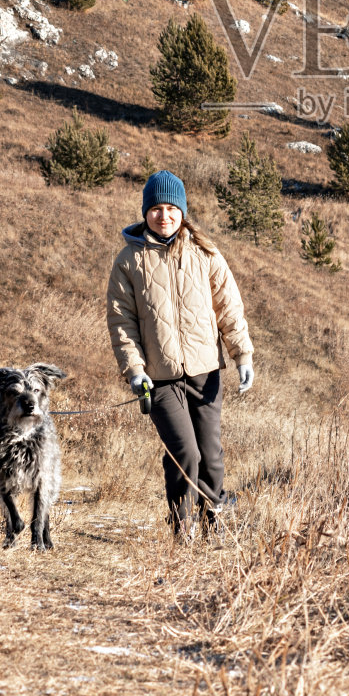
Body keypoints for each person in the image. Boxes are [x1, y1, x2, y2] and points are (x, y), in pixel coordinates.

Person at [107, 170, 254, 541]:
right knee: (184, 451)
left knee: (211, 454)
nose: (164, 215)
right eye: (156, 208)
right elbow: (121, 321)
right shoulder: (129, 260)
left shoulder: (205, 252)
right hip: (159, 377)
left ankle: (213, 516)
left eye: (171, 208)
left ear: (183, 211)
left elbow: (229, 308)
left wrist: (243, 356)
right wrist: (135, 370)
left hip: (206, 371)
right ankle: (181, 523)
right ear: (146, 213)